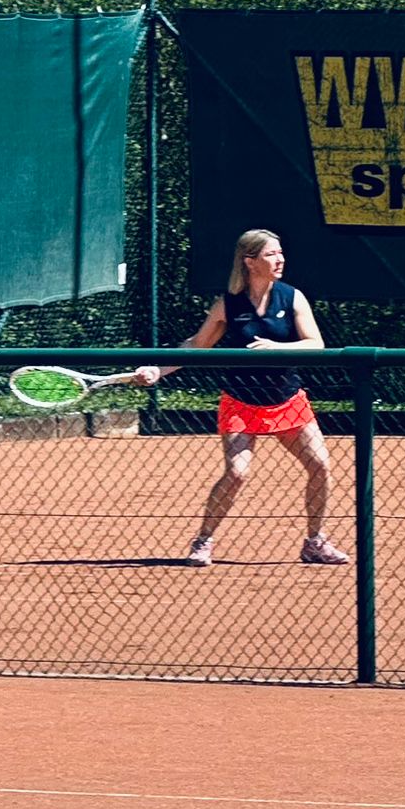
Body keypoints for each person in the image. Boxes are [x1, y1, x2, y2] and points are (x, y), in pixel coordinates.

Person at [134, 228, 349, 568]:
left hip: (287, 401)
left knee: (320, 465)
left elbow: (315, 344)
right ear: (250, 261)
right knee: (236, 473)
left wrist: (276, 348)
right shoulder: (229, 304)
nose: (280, 259)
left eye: (280, 252)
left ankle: (315, 542)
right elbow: (197, 346)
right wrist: (158, 370)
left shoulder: (292, 298)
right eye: (270, 254)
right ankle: (203, 541)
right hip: (241, 402)